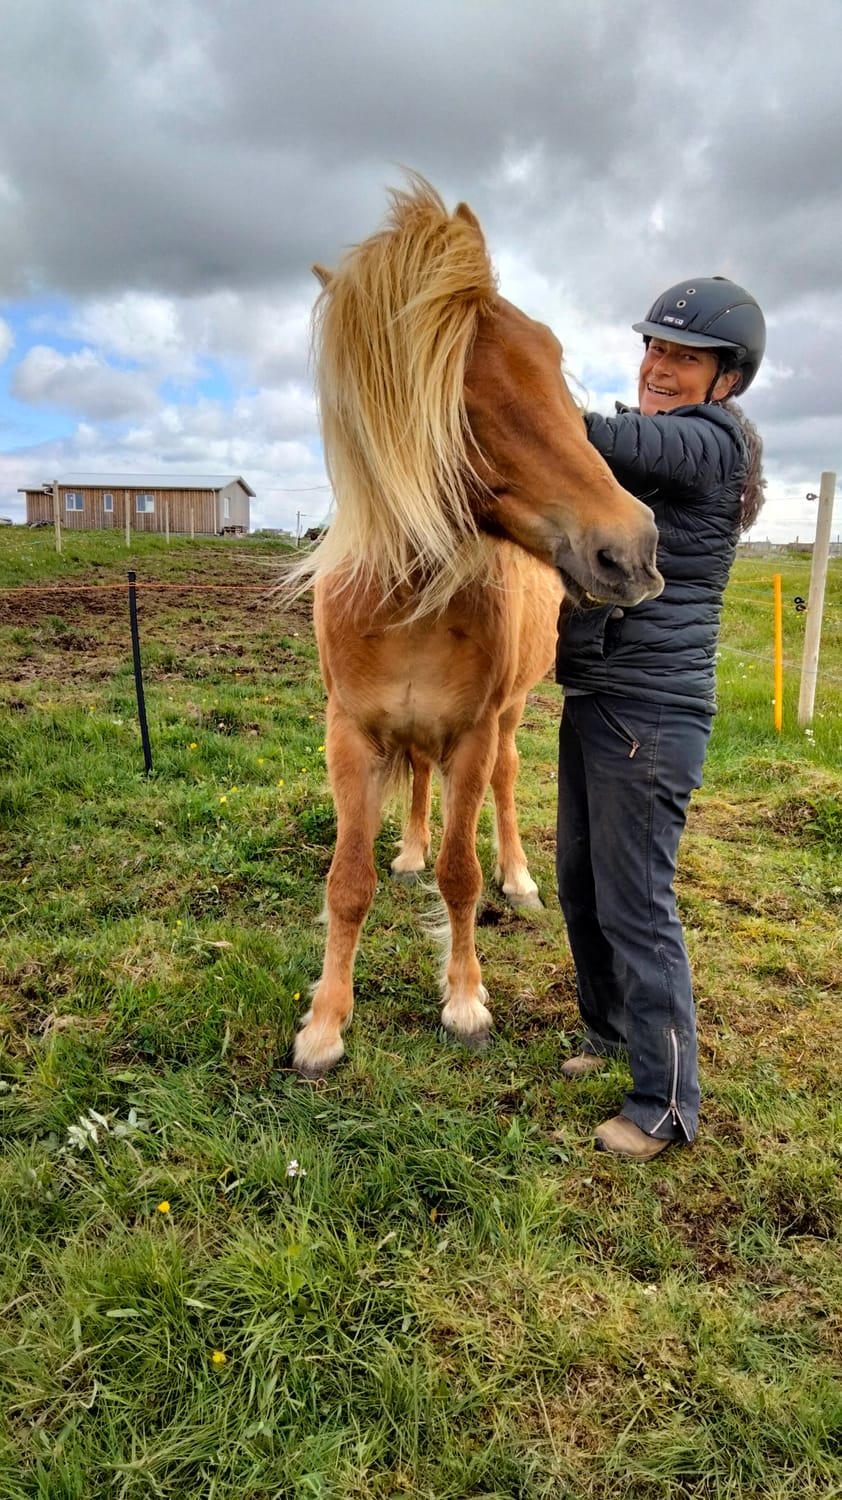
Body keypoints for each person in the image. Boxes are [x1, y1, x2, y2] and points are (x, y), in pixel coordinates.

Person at [555, 277, 766, 1161]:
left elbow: (593, 439)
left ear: (727, 377)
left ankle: (668, 1103)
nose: (658, 366)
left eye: (683, 355)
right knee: (580, 882)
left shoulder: (710, 443)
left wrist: (506, 381)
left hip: (651, 710)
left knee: (639, 903)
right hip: (600, 694)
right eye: (652, 347)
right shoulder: (669, 439)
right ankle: (610, 1030)